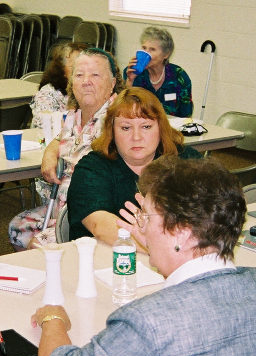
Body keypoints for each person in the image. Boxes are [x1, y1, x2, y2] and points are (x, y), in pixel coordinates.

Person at [31, 156, 256, 356]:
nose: (142, 228)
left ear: (181, 232)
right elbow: (199, 295)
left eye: (148, 217)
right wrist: (158, 246)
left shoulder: (145, 322)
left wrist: (53, 320)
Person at [8, 48, 123, 250]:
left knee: (37, 246)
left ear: (113, 83)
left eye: (95, 75)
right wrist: (51, 151)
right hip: (60, 206)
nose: (86, 81)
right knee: (17, 227)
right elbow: (62, 137)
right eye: (79, 75)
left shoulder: (120, 119)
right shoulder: (73, 116)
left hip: (90, 214)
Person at [67, 87, 202, 244]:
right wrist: (161, 245)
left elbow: (219, 206)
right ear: (112, 131)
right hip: (108, 261)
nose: (136, 137)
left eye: (146, 126)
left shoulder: (187, 161)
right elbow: (101, 226)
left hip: (178, 255)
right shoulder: (91, 169)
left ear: (160, 128)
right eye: (126, 128)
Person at [123, 26, 193, 117]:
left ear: (166, 54)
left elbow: (186, 113)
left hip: (171, 128)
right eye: (144, 48)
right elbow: (124, 108)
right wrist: (130, 81)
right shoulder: (132, 72)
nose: (146, 53)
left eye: (152, 49)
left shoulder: (179, 76)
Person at [30, 42, 88, 129]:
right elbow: (44, 121)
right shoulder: (48, 92)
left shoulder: (92, 90)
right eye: (75, 67)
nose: (82, 72)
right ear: (61, 69)